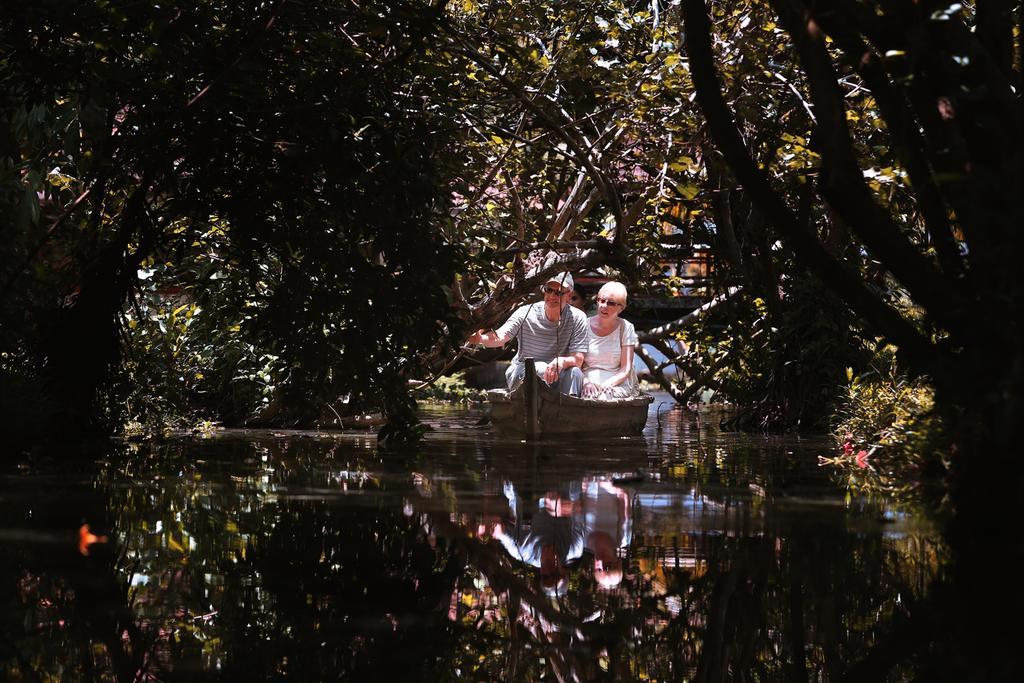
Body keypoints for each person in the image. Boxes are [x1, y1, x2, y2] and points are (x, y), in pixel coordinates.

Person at [467, 272, 587, 396]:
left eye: (559, 292)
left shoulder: (578, 318)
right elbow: (501, 336)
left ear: (569, 295)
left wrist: (561, 362)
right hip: (522, 371)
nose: (552, 295)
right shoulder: (525, 312)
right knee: (539, 367)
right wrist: (481, 339)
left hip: (557, 373)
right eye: (548, 290)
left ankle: (567, 410)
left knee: (575, 373)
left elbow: (578, 360)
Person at [582, 281, 639, 399]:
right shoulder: (584, 325)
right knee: (588, 397)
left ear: (621, 308)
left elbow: (626, 369)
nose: (604, 306)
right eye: (601, 300)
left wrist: (608, 384)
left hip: (616, 382)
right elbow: (577, 364)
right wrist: (585, 382)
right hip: (588, 381)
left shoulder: (626, 327)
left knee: (603, 397)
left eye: (611, 303)